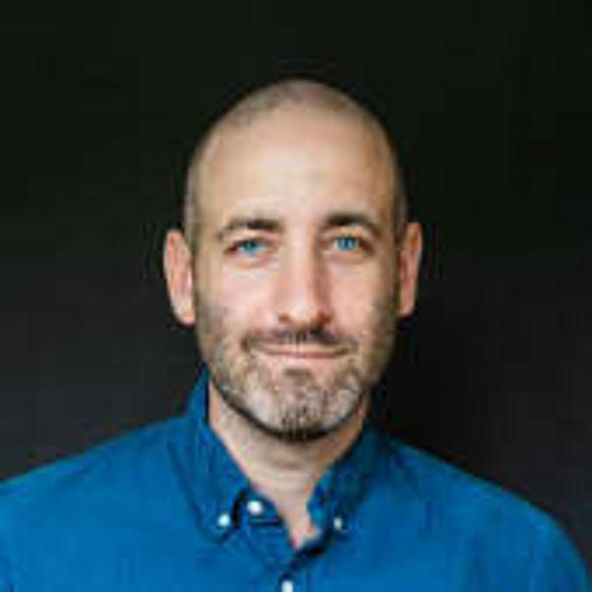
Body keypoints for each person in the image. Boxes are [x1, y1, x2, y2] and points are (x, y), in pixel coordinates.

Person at [0, 79, 589, 591]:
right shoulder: (20, 550)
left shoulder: (520, 567)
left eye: (347, 244)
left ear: (406, 272)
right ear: (183, 279)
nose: (304, 306)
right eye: (252, 245)